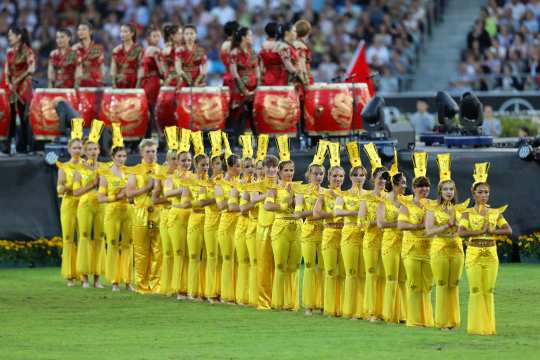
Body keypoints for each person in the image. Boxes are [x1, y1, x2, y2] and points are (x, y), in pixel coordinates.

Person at [458, 163, 512, 335]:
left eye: (486, 192)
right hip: (474, 254)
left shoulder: (495, 213)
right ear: (473, 194)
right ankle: (475, 327)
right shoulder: (467, 213)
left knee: (488, 290)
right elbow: (461, 232)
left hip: (491, 253)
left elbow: (508, 230)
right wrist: (480, 231)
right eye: (480, 192)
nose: (483, 195)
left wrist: (493, 231)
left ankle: (488, 327)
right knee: (475, 289)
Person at [425, 154, 468, 330]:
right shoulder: (432, 209)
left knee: (454, 284)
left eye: (451, 189)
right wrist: (444, 227)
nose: (449, 192)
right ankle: (442, 321)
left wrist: (457, 225)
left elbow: (465, 231)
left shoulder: (460, 209)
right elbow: (428, 231)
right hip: (440, 248)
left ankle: (454, 321)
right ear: (440, 192)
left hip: (456, 248)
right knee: (442, 283)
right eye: (446, 189)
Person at [398, 152, 434, 327]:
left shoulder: (434, 205)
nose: (424, 189)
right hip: (411, 249)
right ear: (414, 188)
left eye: (426, 186)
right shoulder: (407, 205)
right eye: (420, 186)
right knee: (413, 283)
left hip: (428, 249)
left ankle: (426, 319)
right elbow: (401, 226)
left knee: (427, 284)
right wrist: (419, 227)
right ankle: (413, 319)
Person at [265, 136, 301, 310]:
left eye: (292, 170)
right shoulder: (274, 188)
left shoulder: (297, 187)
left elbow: (299, 208)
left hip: (296, 228)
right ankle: (278, 301)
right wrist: (283, 203)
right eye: (286, 170)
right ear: (279, 171)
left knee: (293, 267)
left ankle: (291, 302)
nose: (289, 173)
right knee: (280, 265)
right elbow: (267, 205)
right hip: (280, 227)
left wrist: (294, 198)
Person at [334, 142, 368, 320]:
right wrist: (355, 212)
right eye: (355, 174)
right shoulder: (344, 195)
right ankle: (350, 309)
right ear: (350, 176)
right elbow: (337, 212)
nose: (359, 177)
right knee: (351, 272)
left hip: (366, 235)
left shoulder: (369, 195)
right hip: (349, 233)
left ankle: (363, 309)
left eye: (361, 174)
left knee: (363, 273)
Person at [98, 124, 133, 291]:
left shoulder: (130, 172)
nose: (122, 159)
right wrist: (116, 197)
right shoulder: (106, 174)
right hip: (112, 212)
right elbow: (100, 197)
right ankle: (114, 280)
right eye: (119, 156)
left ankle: (127, 280)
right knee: (112, 244)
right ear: (113, 157)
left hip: (127, 211)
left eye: (124, 156)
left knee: (127, 245)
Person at [294, 141, 327, 315]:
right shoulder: (301, 192)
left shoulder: (327, 192)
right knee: (308, 267)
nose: (318, 176)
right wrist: (316, 211)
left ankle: (322, 303)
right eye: (315, 173)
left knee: (321, 268)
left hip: (323, 231)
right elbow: (298, 214)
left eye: (321, 173)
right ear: (308, 175)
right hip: (308, 231)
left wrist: (318, 212)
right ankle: (308, 305)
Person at [73, 120, 106, 289]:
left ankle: (98, 279)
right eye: (90, 149)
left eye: (95, 149)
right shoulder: (80, 169)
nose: (93, 151)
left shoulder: (105, 168)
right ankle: (84, 277)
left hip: (101, 206)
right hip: (85, 205)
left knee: (100, 239)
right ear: (85, 151)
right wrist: (92, 185)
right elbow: (75, 192)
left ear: (99, 150)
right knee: (84, 237)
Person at [313, 142, 345, 317]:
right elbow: (316, 213)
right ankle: (328, 306)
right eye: (334, 176)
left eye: (340, 176)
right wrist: (335, 214)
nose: (338, 179)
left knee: (342, 271)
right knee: (330, 270)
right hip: (330, 232)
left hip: (344, 235)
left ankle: (340, 306)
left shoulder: (347, 195)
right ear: (329, 177)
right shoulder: (323, 195)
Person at [126, 138, 161, 294]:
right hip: (140, 213)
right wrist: (147, 187)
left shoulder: (162, 170)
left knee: (158, 250)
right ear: (141, 152)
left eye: (153, 151)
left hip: (158, 213)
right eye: (148, 151)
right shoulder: (135, 171)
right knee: (141, 251)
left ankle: (156, 285)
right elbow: (129, 193)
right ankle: (142, 285)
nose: (151, 154)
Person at [184, 131, 215, 300]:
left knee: (207, 256)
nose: (206, 168)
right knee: (194, 256)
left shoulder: (211, 182)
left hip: (209, 220)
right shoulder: (190, 181)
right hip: (195, 219)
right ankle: (192, 291)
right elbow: (185, 202)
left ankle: (205, 291)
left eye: (207, 165)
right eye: (203, 165)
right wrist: (206, 202)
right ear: (196, 165)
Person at [377, 153, 407, 324]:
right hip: (389, 243)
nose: (405, 185)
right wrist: (399, 223)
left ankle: (403, 314)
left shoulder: (406, 202)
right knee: (391, 278)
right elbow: (381, 224)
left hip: (404, 242)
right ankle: (390, 314)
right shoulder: (383, 202)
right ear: (394, 185)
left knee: (403, 279)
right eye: (402, 183)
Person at [360, 143, 388, 322]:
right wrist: (376, 222)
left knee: (385, 275)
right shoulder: (366, 197)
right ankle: (371, 310)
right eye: (380, 178)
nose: (383, 181)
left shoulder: (392, 198)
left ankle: (385, 310)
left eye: (386, 178)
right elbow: (361, 221)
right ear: (373, 178)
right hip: (371, 238)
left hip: (388, 240)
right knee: (371, 273)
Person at [164, 129, 193, 299]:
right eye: (183, 160)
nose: (186, 163)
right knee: (178, 252)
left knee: (190, 253)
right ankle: (178, 288)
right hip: (176, 215)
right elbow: (166, 194)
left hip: (190, 216)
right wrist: (180, 190)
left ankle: (188, 287)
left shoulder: (195, 176)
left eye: (189, 160)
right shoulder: (171, 176)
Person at [151, 126, 179, 295]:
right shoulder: (162, 176)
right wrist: (173, 199)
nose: (176, 162)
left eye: (179, 158)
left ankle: (179, 285)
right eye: (173, 158)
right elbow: (155, 199)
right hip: (167, 214)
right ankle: (166, 285)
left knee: (180, 252)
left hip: (183, 216)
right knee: (166, 251)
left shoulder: (187, 176)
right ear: (168, 159)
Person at [56, 119, 84, 286]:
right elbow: (59, 189)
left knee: (82, 238)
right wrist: (70, 184)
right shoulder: (64, 167)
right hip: (68, 204)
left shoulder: (87, 167)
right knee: (68, 238)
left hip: (83, 205)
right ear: (69, 149)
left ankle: (82, 273)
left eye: (80, 147)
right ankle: (69, 274)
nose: (77, 150)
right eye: (74, 147)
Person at [215, 142, 242, 304]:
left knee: (239, 260)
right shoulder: (219, 184)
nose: (240, 169)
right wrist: (243, 205)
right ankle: (226, 294)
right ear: (230, 167)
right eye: (238, 166)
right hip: (227, 224)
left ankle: (238, 294)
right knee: (227, 259)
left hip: (239, 223)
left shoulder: (241, 183)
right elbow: (221, 206)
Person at [4, 26, 35, 154]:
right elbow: (6, 69)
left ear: (19, 36)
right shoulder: (10, 51)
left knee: (24, 117)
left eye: (11, 35)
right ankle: (7, 145)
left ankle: (24, 146)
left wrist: (18, 79)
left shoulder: (27, 51)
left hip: (23, 88)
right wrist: (8, 82)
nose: (9, 37)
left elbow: (31, 69)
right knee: (9, 116)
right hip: (12, 87)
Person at [203, 130, 224, 302]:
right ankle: (211, 291)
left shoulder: (231, 182)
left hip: (226, 222)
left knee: (225, 258)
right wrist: (216, 198)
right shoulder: (207, 183)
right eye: (217, 163)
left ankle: (223, 291)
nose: (220, 166)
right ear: (211, 165)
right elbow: (199, 203)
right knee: (212, 257)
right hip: (211, 221)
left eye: (222, 163)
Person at [234, 134, 256, 305]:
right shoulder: (238, 186)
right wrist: (259, 199)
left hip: (258, 225)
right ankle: (242, 296)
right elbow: (239, 208)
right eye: (246, 166)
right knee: (243, 261)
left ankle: (256, 295)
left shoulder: (259, 184)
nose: (250, 169)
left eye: (252, 166)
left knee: (256, 262)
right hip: (243, 225)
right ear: (241, 168)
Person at [229, 27, 259, 141]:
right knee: (239, 114)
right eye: (250, 35)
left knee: (254, 114)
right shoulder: (235, 53)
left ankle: (258, 141)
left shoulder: (253, 52)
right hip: (240, 87)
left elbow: (257, 70)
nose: (252, 38)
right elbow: (234, 72)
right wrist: (244, 90)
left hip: (253, 86)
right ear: (243, 38)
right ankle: (237, 142)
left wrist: (257, 87)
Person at [141, 27, 164, 133]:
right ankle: (156, 136)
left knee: (148, 110)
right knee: (154, 110)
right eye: (154, 36)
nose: (157, 38)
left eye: (158, 36)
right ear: (149, 38)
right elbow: (162, 71)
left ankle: (149, 135)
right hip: (153, 82)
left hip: (146, 82)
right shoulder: (155, 50)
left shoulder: (145, 50)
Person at [111, 23, 143, 88]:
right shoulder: (116, 50)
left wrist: (138, 84)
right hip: (119, 81)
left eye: (125, 31)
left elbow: (141, 68)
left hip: (133, 81)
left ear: (132, 33)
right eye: (121, 32)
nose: (122, 34)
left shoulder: (138, 50)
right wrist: (113, 83)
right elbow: (113, 68)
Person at [74, 22, 105, 87]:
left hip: (95, 81)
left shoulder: (98, 47)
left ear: (90, 32)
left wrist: (102, 79)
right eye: (79, 30)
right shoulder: (74, 48)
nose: (80, 32)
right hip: (80, 82)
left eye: (83, 29)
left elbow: (101, 65)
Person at [293, 19, 314, 86]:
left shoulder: (292, 43)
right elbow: (301, 63)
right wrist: (305, 79)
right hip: (301, 78)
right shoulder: (301, 46)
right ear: (307, 32)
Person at [220, 21, 239, 88]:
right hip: (235, 77)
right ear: (235, 32)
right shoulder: (234, 45)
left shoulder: (223, 45)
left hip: (227, 76)